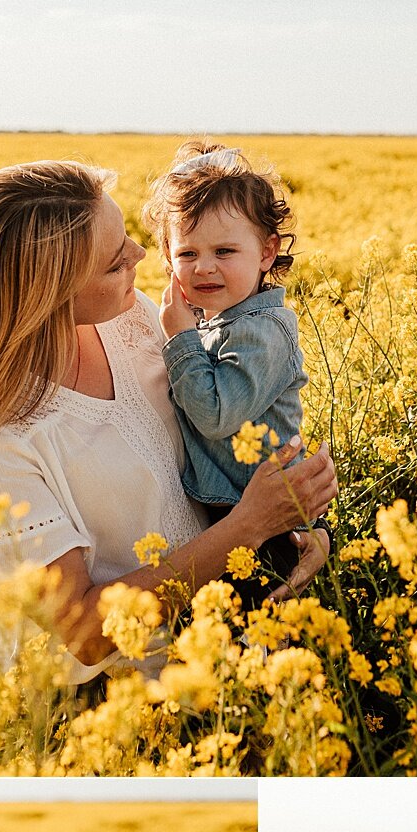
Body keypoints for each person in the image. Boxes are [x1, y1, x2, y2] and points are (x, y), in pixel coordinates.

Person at [0, 161, 335, 683]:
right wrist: (250, 529)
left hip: (221, 643)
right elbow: (83, 633)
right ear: (48, 294)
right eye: (114, 262)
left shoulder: (132, 320)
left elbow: (219, 441)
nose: (140, 254)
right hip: (113, 703)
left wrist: (296, 523)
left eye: (127, 235)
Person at [145, 140, 309, 594]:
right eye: (187, 254)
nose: (204, 268)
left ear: (266, 252)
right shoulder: (219, 320)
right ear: (166, 258)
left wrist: (179, 340)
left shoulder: (262, 330)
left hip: (265, 527)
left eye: (225, 252)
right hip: (232, 517)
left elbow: (216, 417)